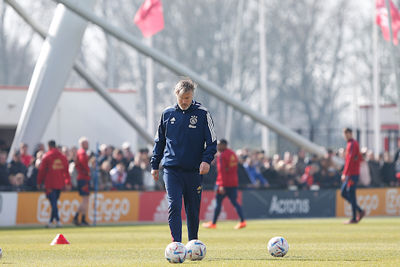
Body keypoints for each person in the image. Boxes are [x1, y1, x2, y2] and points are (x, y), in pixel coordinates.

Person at [150, 79, 217, 243]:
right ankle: (176, 244)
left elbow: (212, 142)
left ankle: (193, 243)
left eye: (188, 97)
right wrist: (154, 165)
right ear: (176, 95)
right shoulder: (167, 114)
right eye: (182, 98)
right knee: (174, 206)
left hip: (194, 171)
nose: (185, 101)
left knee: (192, 210)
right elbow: (160, 142)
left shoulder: (202, 113)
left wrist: (206, 160)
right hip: (172, 170)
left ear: (192, 95)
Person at [202, 139, 246, 229]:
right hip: (233, 182)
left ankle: (213, 223)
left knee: (218, 203)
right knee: (235, 202)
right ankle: (242, 221)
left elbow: (222, 171)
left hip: (223, 183)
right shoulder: (232, 154)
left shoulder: (222, 155)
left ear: (224, 145)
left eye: (219, 145)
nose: (217, 147)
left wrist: (221, 185)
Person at [37, 140, 71, 228]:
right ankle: (51, 222)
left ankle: (58, 221)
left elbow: (42, 171)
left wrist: (39, 182)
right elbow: (66, 171)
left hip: (50, 183)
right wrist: (67, 182)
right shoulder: (62, 157)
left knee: (53, 203)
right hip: (60, 183)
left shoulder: (47, 156)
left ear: (49, 146)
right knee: (54, 203)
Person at [341, 128, 365, 224]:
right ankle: (359, 211)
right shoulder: (352, 144)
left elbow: (350, 159)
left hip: (351, 174)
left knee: (349, 193)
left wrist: (345, 173)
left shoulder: (352, 144)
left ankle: (355, 217)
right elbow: (358, 158)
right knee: (346, 193)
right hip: (352, 174)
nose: (345, 136)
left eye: (347, 134)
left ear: (350, 134)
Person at [73, 137, 91, 226]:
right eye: (86, 143)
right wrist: (88, 171)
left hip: (82, 177)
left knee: (86, 200)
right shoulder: (82, 153)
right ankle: (77, 217)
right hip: (83, 178)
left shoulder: (80, 152)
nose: (88, 145)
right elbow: (84, 164)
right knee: (85, 199)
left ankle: (82, 218)